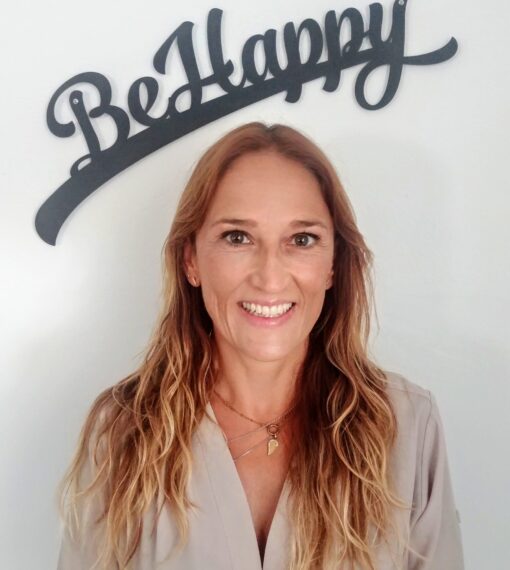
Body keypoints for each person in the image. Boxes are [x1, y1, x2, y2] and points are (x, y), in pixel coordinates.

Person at [56, 122, 464, 570]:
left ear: (333, 264)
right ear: (191, 260)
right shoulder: (121, 431)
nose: (270, 278)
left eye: (302, 240)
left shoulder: (407, 427)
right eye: (238, 237)